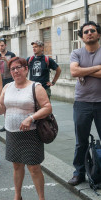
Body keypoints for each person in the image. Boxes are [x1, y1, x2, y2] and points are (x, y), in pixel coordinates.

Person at [0, 57, 52, 200]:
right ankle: (17, 196)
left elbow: (47, 108)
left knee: (34, 168)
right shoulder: (7, 87)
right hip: (12, 133)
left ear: (26, 69)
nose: (15, 71)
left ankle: (41, 198)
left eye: (19, 67)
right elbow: (1, 110)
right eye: (12, 69)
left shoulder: (36, 86)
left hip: (31, 133)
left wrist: (31, 118)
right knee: (16, 166)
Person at [68, 21, 101, 186]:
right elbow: (74, 71)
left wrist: (84, 71)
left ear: (98, 34)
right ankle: (79, 173)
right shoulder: (76, 52)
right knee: (81, 141)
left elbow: (79, 71)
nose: (89, 33)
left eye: (92, 30)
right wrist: (97, 68)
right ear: (82, 37)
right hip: (82, 103)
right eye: (86, 31)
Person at [0, 38, 16, 132]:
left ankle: (9, 123)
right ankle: (5, 124)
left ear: (5, 45)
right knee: (2, 103)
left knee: (9, 102)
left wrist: (6, 60)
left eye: (2, 45)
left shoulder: (11, 54)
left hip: (9, 80)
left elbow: (14, 66)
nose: (1, 47)